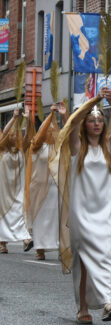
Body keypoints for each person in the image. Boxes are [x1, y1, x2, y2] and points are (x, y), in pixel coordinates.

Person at [50, 86, 111, 324]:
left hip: (104, 214)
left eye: (99, 120)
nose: (96, 124)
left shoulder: (108, 146)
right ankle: (83, 307)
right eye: (91, 120)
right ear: (85, 125)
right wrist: (86, 105)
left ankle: (107, 303)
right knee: (84, 263)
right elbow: (72, 127)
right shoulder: (77, 148)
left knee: (105, 256)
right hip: (81, 214)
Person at [25, 102, 68, 260]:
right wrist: (50, 115)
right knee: (40, 217)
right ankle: (40, 248)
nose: (51, 130)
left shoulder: (58, 147)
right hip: (38, 188)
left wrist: (62, 115)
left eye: (53, 128)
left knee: (55, 218)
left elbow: (69, 132)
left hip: (54, 188)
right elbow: (40, 133)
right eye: (48, 128)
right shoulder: (36, 146)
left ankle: (57, 245)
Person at [0, 107, 34, 254]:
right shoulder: (1, 149)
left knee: (20, 213)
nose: (16, 136)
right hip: (3, 190)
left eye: (18, 134)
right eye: (14, 135)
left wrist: (27, 119)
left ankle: (26, 239)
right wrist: (14, 118)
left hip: (18, 190)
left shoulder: (21, 149)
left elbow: (29, 135)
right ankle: (2, 243)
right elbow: (5, 133)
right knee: (3, 215)